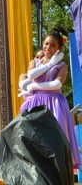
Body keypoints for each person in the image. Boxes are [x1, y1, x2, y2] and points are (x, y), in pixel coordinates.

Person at [19, 27, 80, 166]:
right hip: (35, 104)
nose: (48, 47)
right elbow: (31, 75)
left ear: (59, 47)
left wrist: (35, 86)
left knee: (55, 140)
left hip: (54, 103)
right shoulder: (34, 62)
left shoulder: (62, 65)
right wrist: (50, 64)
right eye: (46, 43)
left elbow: (57, 84)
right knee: (34, 139)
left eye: (53, 45)